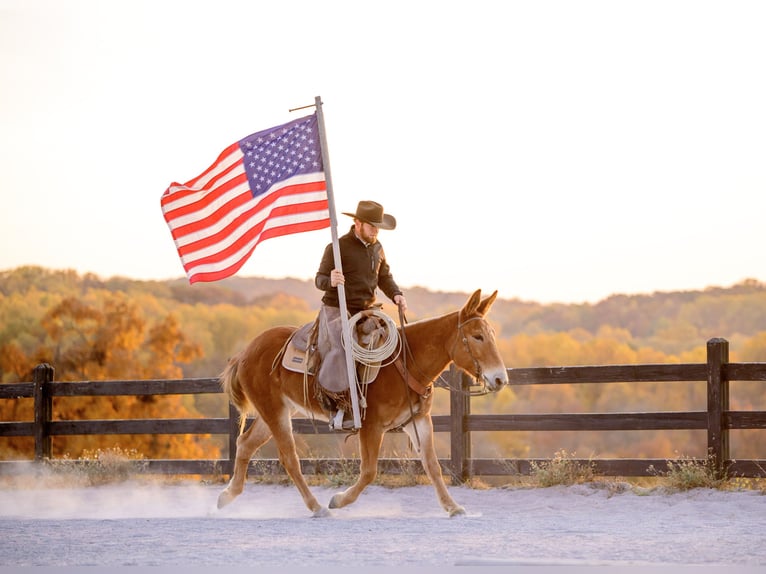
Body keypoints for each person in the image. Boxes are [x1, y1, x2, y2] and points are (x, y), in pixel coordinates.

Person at [315, 200, 407, 429]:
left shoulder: (378, 248)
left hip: (366, 309)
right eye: (372, 226)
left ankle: (386, 402)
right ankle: (339, 406)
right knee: (344, 344)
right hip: (337, 307)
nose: (376, 231)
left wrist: (396, 294)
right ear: (357, 223)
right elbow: (319, 279)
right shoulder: (337, 247)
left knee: (390, 339)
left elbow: (384, 277)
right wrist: (331, 281)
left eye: (378, 227)